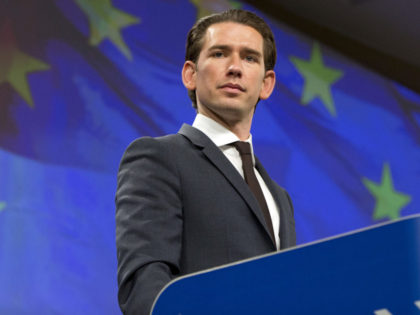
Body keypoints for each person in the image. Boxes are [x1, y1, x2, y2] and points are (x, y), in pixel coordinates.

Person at [115, 9, 296, 315]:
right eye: (220, 53)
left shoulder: (280, 198)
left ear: (267, 84)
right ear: (190, 74)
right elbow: (145, 287)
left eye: (250, 58)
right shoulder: (158, 158)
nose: (235, 68)